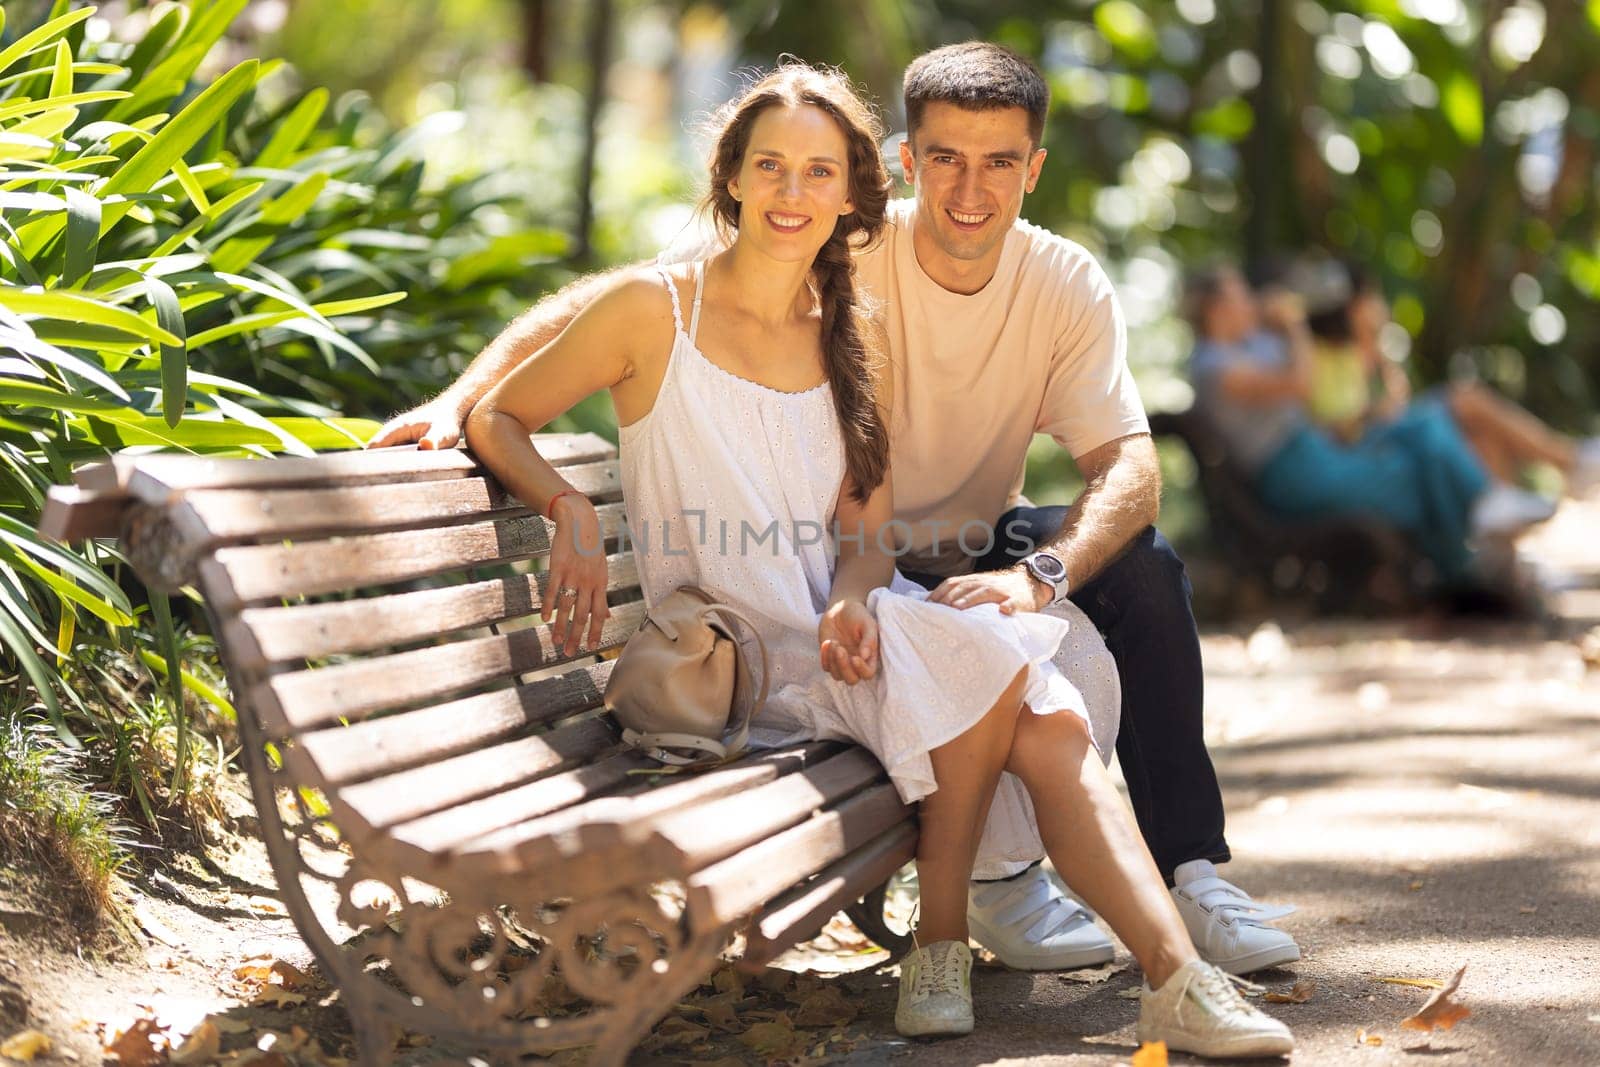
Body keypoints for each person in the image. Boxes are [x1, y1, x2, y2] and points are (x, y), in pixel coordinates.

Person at [372, 43, 1302, 979]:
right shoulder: (834, 240)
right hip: (842, 565)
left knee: (1140, 567)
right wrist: (468, 396)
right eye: (945, 157)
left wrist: (1038, 575)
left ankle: (1189, 872)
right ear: (906, 162)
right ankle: (999, 887)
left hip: (964, 544)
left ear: (1035, 168)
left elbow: (1129, 462)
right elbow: (620, 299)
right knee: (1026, 681)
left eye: (1000, 162)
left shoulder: (1060, 281)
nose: (969, 188)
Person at [1186, 264, 1535, 589]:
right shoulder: (1214, 365)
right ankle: (1465, 558)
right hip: (1290, 473)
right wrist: (1294, 325)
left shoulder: (1249, 346)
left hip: (1313, 452)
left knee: (1427, 426)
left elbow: (1328, 359)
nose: (1251, 302)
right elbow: (1301, 384)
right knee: (1412, 469)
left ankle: (1475, 541)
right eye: (1241, 295)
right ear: (1216, 309)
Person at [1301, 259, 1599, 501]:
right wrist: (1369, 415)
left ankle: (1499, 550)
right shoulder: (1318, 356)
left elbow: (1397, 403)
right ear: (1353, 305)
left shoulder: (1366, 355)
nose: (1379, 305)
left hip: (1395, 434)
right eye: (1371, 297)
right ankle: (1570, 460)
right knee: (1467, 399)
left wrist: (1380, 359)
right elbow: (1327, 424)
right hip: (1368, 448)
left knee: (1482, 436)